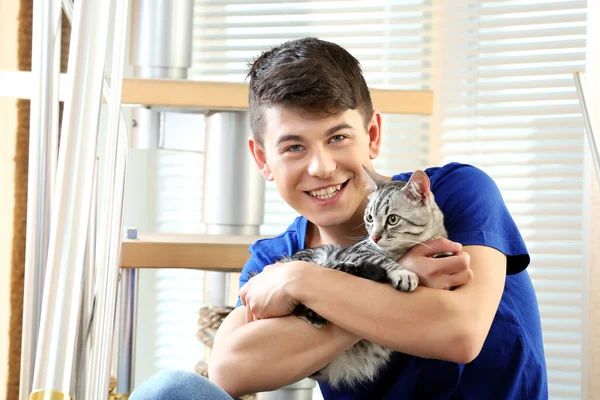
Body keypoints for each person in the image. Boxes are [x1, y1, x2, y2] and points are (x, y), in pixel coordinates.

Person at [130, 37, 547, 400]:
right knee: (169, 392)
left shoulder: (454, 193)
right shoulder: (275, 258)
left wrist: (303, 283)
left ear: (373, 135)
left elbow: (459, 333)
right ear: (263, 159)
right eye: (294, 147)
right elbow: (231, 368)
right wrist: (392, 279)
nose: (322, 167)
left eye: (338, 137)